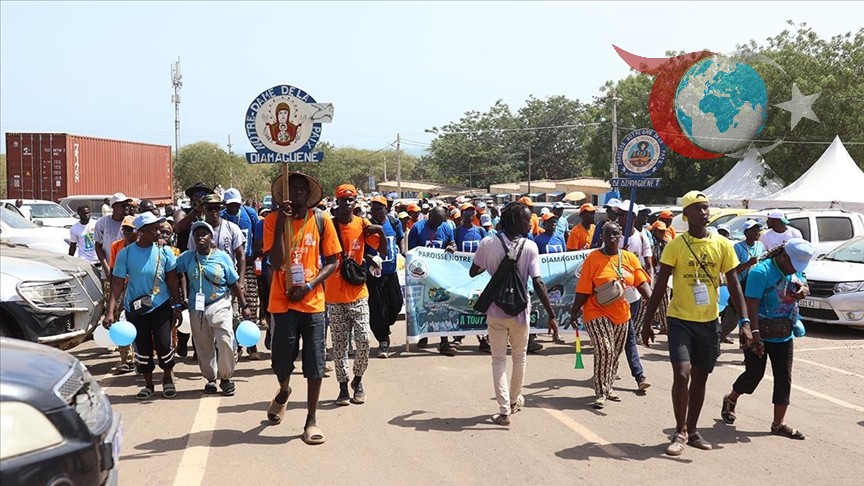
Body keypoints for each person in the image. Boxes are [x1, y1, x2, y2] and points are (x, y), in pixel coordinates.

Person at [640, 191, 746, 456]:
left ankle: (693, 430)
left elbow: (733, 283)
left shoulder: (722, 244)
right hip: (679, 321)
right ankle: (680, 431)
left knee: (700, 378)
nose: (704, 212)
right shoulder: (675, 246)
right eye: (698, 208)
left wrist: (744, 321)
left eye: (706, 207)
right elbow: (660, 285)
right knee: (682, 374)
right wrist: (647, 321)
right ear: (686, 214)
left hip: (708, 322)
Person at [264, 172, 340, 445]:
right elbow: (275, 262)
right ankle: (284, 390)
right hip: (282, 302)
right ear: (282, 194)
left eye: (301, 188)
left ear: (308, 195)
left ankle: (311, 420)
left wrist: (309, 285)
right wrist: (281, 222)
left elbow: (333, 261)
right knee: (281, 360)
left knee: (315, 362)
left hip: (312, 302)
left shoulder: (321, 219)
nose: (296, 191)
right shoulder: (271, 220)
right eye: (291, 188)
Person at [469, 202, 558, 426]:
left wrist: (492, 266)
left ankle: (504, 410)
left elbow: (473, 271)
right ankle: (514, 400)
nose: (530, 223)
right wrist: (551, 314)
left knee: (498, 360)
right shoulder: (530, 247)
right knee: (520, 357)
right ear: (517, 221)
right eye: (527, 220)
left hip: (495, 310)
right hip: (520, 311)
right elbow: (538, 282)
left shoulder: (487, 243)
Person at [721, 239, 814, 440]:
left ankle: (778, 423)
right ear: (784, 256)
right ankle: (731, 398)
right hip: (758, 331)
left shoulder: (795, 270)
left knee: (784, 377)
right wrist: (754, 334)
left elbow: (804, 282)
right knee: (754, 374)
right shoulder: (761, 272)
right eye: (793, 264)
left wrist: (804, 291)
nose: (795, 269)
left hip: (784, 332)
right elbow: (751, 304)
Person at [571, 222, 652, 408]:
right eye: (608, 234)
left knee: (614, 353)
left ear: (621, 236)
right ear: (602, 237)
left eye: (615, 234)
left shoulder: (629, 258)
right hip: (595, 310)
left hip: (622, 313)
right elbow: (583, 289)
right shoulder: (593, 258)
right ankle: (601, 392)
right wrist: (574, 311)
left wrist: (653, 303)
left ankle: (608, 387)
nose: (612, 238)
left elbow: (641, 283)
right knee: (605, 348)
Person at [103, 212, 183, 400]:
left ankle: (167, 378)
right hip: (135, 308)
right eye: (155, 229)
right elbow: (117, 284)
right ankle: (149, 384)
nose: (159, 232)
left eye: (159, 228)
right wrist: (110, 311)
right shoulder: (126, 254)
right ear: (142, 231)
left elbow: (172, 281)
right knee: (143, 346)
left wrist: (178, 306)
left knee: (163, 344)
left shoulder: (165, 252)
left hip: (161, 305)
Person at [326, 185, 387, 406]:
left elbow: (382, 251)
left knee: (364, 341)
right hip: (334, 296)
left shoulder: (362, 224)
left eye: (350, 199)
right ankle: (343, 386)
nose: (347, 203)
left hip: (359, 293)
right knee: (340, 345)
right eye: (343, 199)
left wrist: (380, 231)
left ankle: (358, 380)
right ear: (337, 202)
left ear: (355, 202)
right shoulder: (328, 225)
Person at [176, 221, 253, 396]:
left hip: (220, 303)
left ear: (211, 238)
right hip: (197, 307)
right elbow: (171, 270)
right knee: (203, 345)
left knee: (225, 340)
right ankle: (210, 378)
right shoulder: (188, 257)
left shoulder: (222, 257)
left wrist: (244, 306)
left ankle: (225, 378)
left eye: (204, 234)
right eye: (196, 234)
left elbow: (233, 282)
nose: (200, 237)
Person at [193, 194, 252, 359]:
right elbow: (191, 257)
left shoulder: (232, 228)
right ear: (203, 210)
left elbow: (241, 256)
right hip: (204, 285)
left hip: (229, 284)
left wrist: (241, 282)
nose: (213, 211)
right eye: (209, 208)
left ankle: (232, 351)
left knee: (232, 318)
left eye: (217, 208)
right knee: (205, 322)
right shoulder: (197, 232)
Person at [408, 206, 458, 355]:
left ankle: (444, 341)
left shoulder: (447, 227)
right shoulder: (417, 228)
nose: (438, 225)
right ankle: (423, 334)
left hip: (440, 274)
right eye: (435, 221)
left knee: (443, 305)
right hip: (423, 275)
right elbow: (411, 252)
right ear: (429, 216)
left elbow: (453, 243)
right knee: (424, 306)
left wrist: (452, 247)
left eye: (440, 222)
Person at [613, 202, 653, 392]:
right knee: (622, 335)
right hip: (613, 296)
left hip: (633, 295)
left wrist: (649, 288)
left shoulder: (642, 238)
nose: (620, 218)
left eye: (624, 215)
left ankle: (615, 369)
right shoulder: (613, 236)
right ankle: (638, 375)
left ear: (633, 218)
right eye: (619, 215)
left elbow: (649, 265)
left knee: (627, 334)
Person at [95, 193, 136, 373]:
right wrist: (107, 269)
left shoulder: (134, 223)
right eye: (121, 204)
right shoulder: (103, 224)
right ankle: (126, 358)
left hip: (134, 283)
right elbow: (98, 246)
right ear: (113, 206)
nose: (125, 207)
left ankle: (140, 356)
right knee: (118, 315)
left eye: (127, 204)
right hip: (113, 278)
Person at [366, 196, 404, 358]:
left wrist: (403, 251)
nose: (376, 212)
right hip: (374, 275)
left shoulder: (394, 223)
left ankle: (385, 325)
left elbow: (400, 238)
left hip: (391, 273)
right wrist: (370, 258)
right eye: (373, 209)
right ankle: (382, 341)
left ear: (386, 209)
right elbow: (362, 249)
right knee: (377, 311)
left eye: (379, 209)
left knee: (397, 304)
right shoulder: (367, 225)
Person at [720, 220, 766, 342]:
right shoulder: (738, 247)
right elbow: (732, 270)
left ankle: (747, 345)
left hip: (755, 286)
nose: (757, 233)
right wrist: (748, 263)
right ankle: (715, 342)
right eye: (753, 231)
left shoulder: (760, 246)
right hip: (740, 287)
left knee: (752, 318)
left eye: (758, 230)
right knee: (732, 320)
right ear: (746, 233)